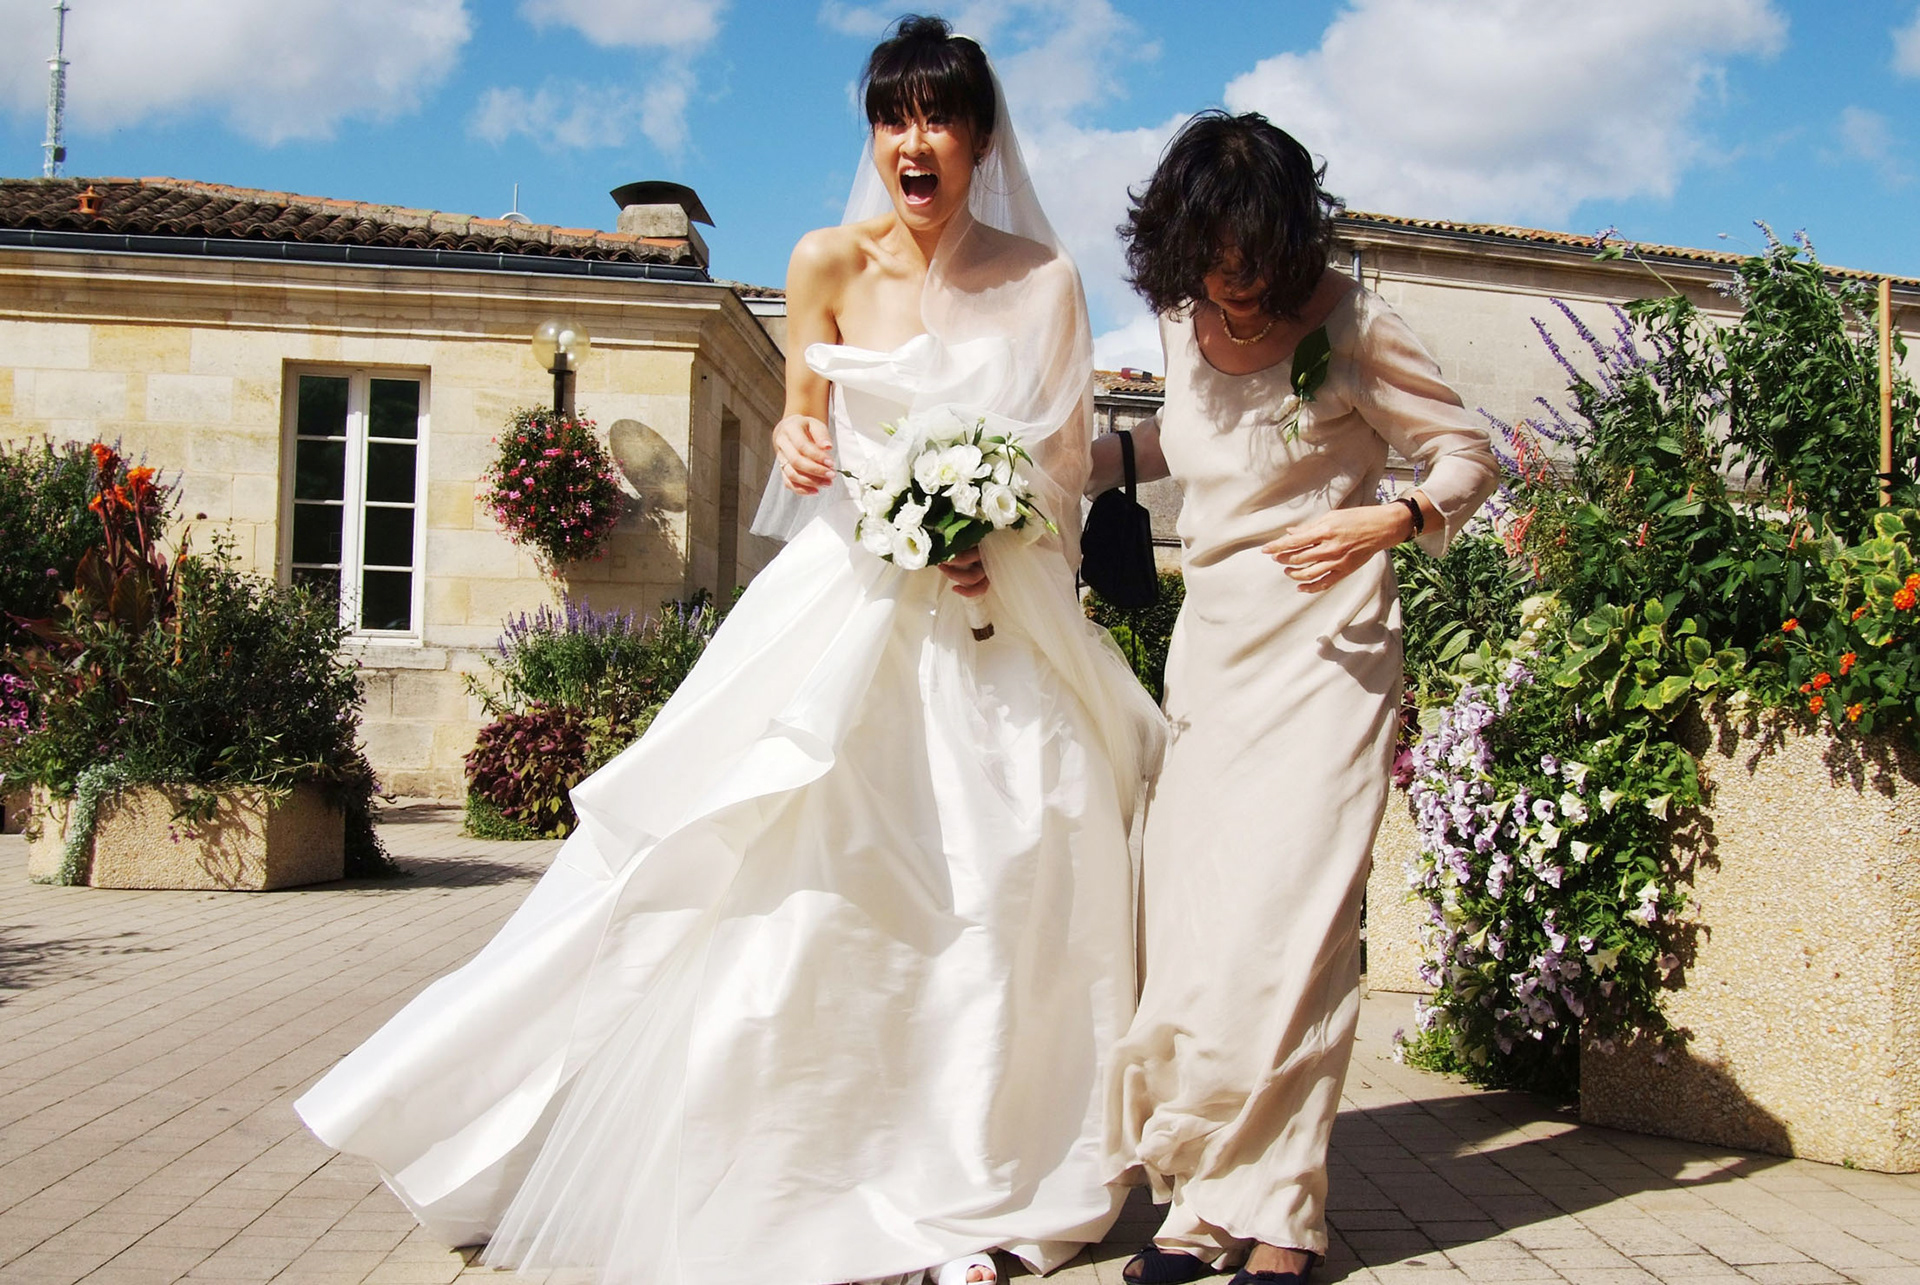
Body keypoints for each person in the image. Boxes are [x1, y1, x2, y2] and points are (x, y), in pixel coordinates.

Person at [294, 16, 1164, 1285]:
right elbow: (805, 432)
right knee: (802, 886)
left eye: (938, 118)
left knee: (1002, 884)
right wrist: (806, 445)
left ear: (981, 139)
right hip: (846, 609)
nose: (914, 142)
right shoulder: (823, 260)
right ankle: (785, 1166)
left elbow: (1063, 466)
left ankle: (980, 1180)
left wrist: (998, 536)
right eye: (893, 118)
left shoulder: (1044, 280)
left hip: (992, 628)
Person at [1090, 112, 1499, 1285]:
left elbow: (1466, 454)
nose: (1238, 286)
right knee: (1198, 937)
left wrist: (1390, 517)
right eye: (1216, 262)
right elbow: (1181, 441)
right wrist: (1059, 465)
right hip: (1215, 658)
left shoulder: (1354, 323)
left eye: (1257, 260)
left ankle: (1281, 1214)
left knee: (1297, 930)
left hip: (1331, 658)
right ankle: (1204, 1197)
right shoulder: (1178, 324)